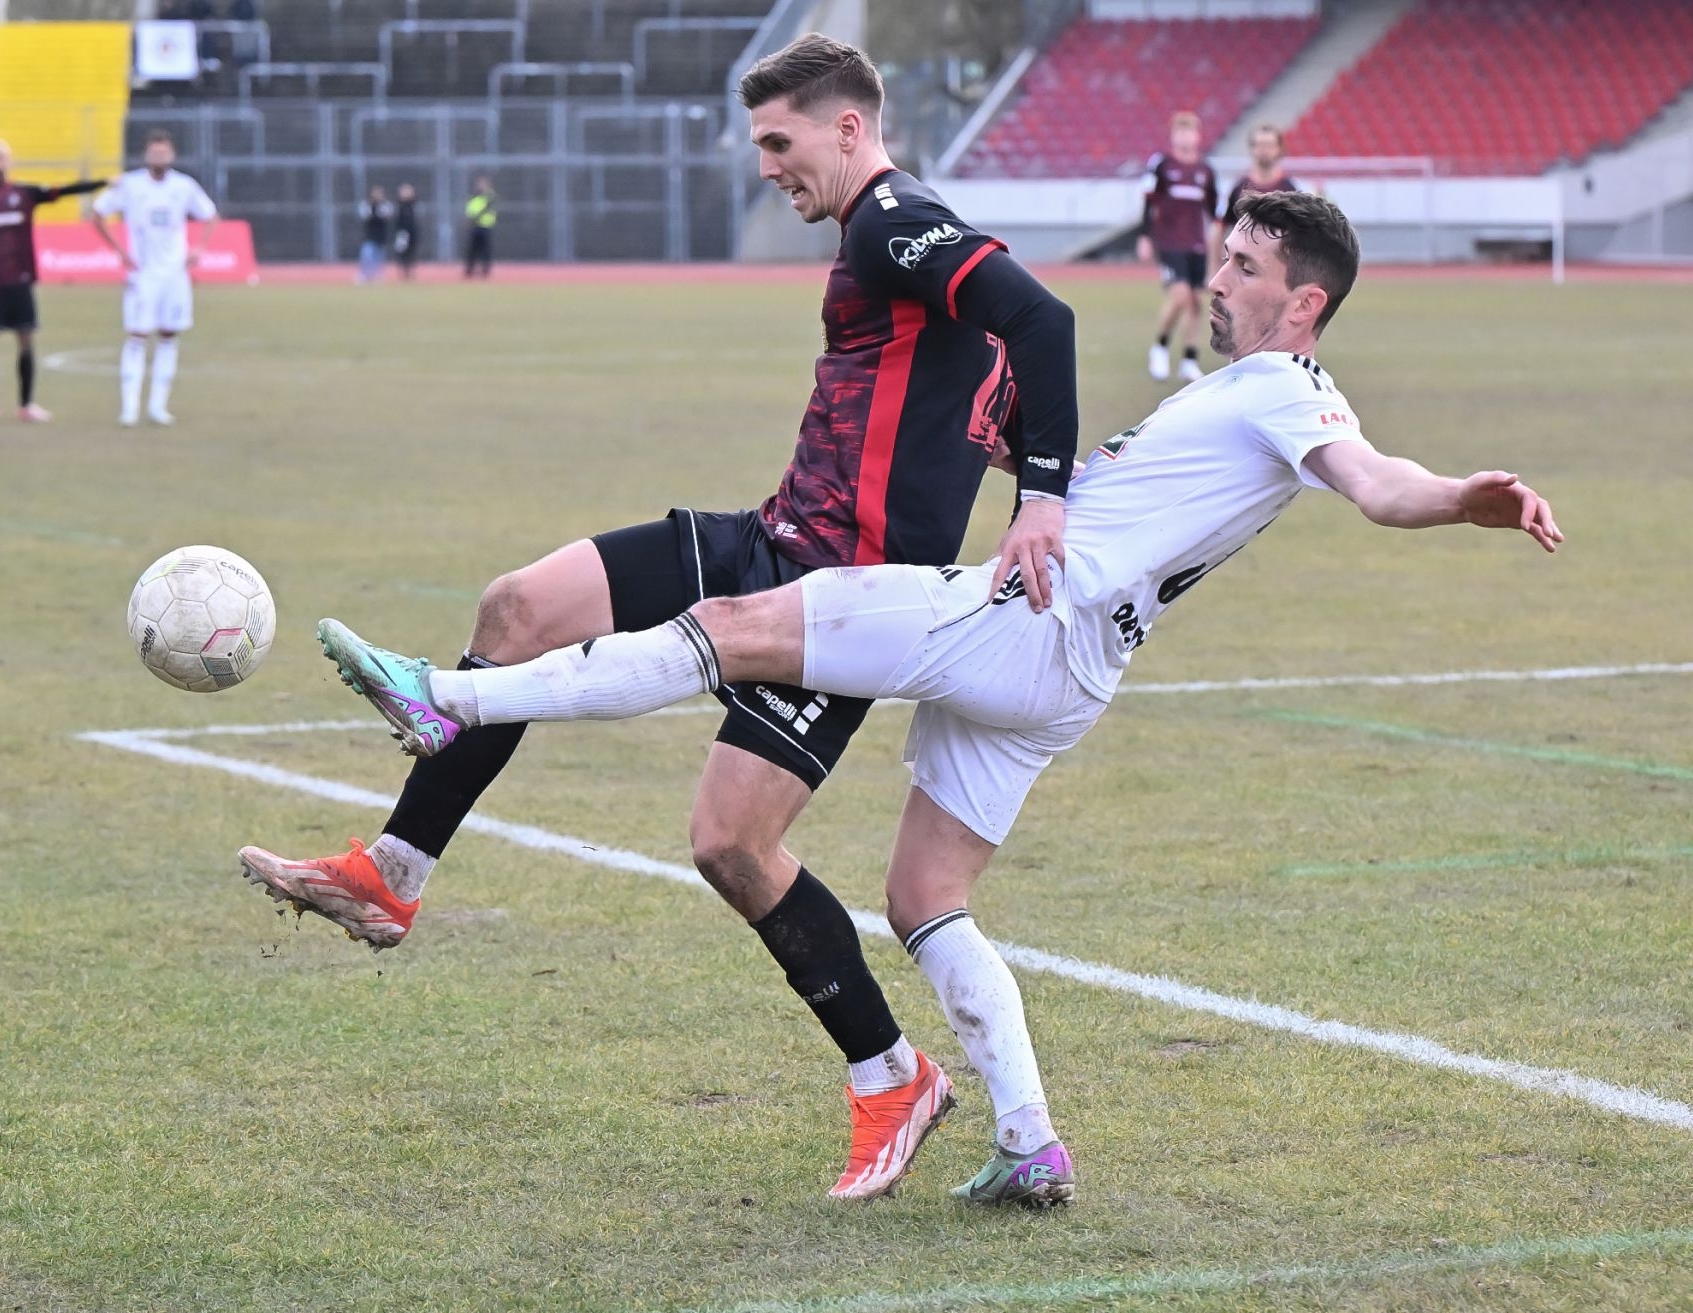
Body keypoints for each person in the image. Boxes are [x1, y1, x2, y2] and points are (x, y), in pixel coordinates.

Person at [304, 190, 1562, 1207]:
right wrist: (1019, 450)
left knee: (736, 627)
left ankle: (450, 698)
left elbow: (1378, 480)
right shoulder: (1232, 394)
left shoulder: (1290, 389)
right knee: (924, 894)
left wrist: (1461, 498)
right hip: (1072, 673)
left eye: (1243, 265)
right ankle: (1029, 1140)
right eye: (1224, 257)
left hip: (1022, 619)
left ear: (1306, 301)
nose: (1217, 278)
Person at [238, 32, 1084, 1203]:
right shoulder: (895, 241)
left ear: (849, 127)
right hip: (768, 535)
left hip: (834, 605)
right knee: (519, 605)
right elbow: (993, 374)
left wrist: (1042, 498)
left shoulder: (893, 220)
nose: (767, 167)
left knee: (730, 844)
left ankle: (893, 1076)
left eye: (780, 142)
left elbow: (1046, 320)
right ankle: (393, 871)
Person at [0, 140, 106, 425]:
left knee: (26, 338)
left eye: (2, 157)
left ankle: (26, 405)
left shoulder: (24, 193)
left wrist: (104, 183)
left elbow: (65, 190)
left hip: (20, 280)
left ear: (10, 161)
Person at [89, 129, 218, 428]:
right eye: (154, 152)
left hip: (175, 275)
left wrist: (199, 247)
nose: (159, 156)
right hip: (143, 274)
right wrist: (120, 250)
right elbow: (97, 213)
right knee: (137, 336)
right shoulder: (130, 185)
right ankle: (129, 408)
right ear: (146, 154)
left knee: (169, 336)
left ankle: (158, 407)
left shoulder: (184, 186)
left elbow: (210, 215)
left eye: (164, 152)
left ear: (172, 155)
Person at [1137, 110, 1218, 384]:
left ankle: (1189, 360)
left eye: (1189, 131)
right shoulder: (1161, 165)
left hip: (1197, 243)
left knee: (1196, 301)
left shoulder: (1205, 171)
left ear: (1198, 137)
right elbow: (1148, 201)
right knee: (1180, 295)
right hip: (1169, 242)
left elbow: (1214, 211)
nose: (1185, 137)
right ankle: (1159, 347)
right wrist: (1144, 236)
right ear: (1173, 136)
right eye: (1180, 132)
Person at [1218, 123, 1300, 250]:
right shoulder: (1239, 188)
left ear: (1279, 148)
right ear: (1252, 148)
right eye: (1260, 145)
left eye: (1269, 145)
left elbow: (1299, 231)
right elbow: (1221, 226)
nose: (1265, 150)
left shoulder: (1290, 189)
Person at [356, 184, 392, 283]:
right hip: (369, 236)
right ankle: (364, 275)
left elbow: (386, 216)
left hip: (381, 236)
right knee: (367, 256)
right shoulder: (366, 205)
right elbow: (365, 217)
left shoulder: (385, 205)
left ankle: (377, 275)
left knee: (379, 258)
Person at [463, 175, 495, 278]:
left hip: (485, 226)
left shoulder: (490, 197)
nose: (481, 186)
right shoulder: (474, 197)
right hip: (475, 227)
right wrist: (470, 220)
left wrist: (476, 217)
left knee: (485, 250)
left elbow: (489, 206)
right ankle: (469, 270)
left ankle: (485, 270)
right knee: (472, 249)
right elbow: (470, 210)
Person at [392, 182, 420, 281]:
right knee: (402, 253)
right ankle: (402, 274)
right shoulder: (398, 205)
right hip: (402, 233)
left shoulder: (414, 205)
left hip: (412, 232)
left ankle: (411, 273)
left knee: (412, 253)